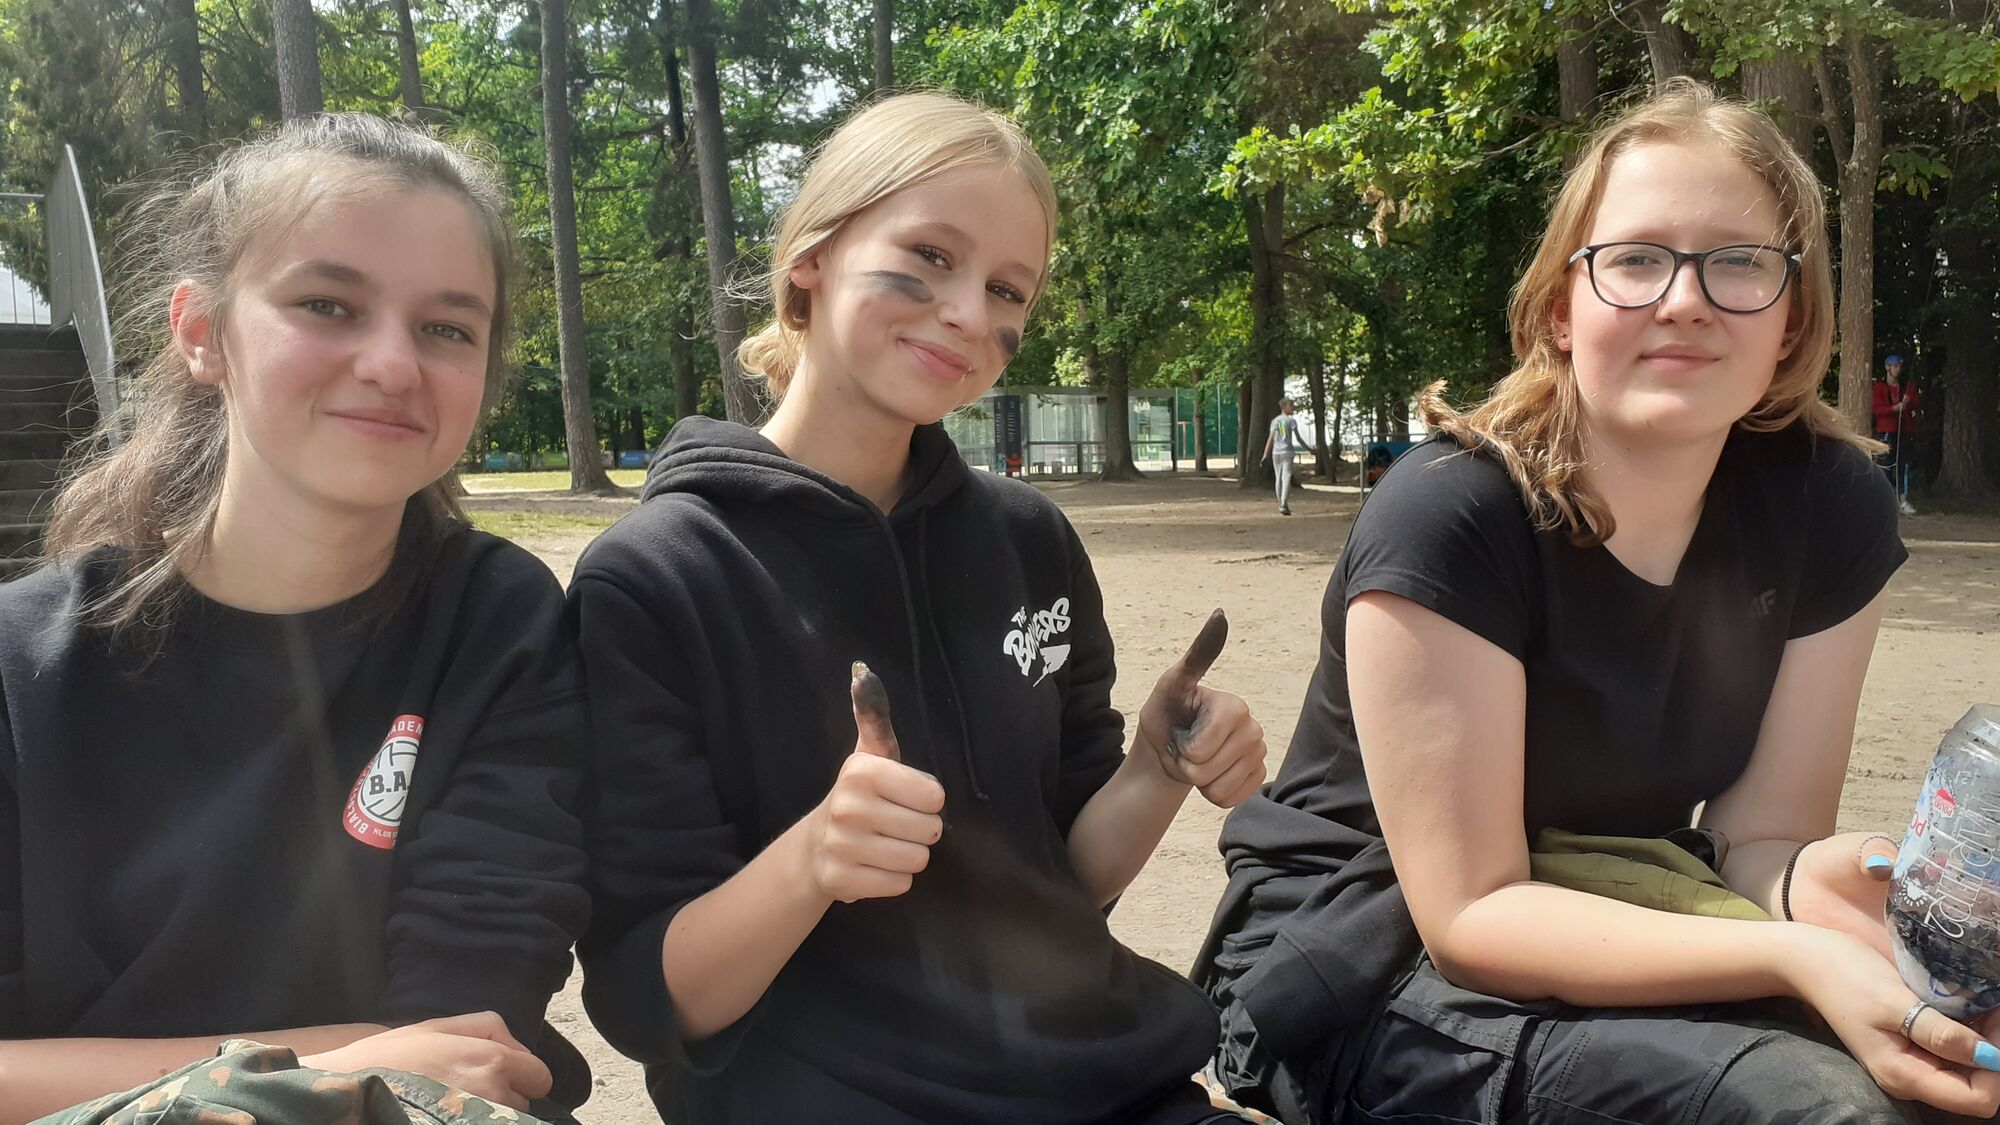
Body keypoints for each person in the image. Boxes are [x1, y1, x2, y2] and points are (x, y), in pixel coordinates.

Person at [1194, 80, 1992, 1125]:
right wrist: (1796, 955)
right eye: (1635, 259)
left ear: (1792, 317)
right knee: (1817, 1108)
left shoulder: (1827, 505)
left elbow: (1753, 848)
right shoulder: (1450, 515)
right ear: (1559, 311)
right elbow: (1472, 914)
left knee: (1953, 1074)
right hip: (1353, 955)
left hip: (1622, 896)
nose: (1685, 299)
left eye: (1739, 262)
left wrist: (1820, 884)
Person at [572, 93, 1268, 1125]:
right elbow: (650, 1002)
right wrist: (814, 861)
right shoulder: (654, 579)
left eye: (1007, 289)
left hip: (1110, 1088)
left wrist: (1155, 770)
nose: (970, 316)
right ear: (810, 258)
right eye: (931, 256)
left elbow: (1064, 886)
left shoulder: (1030, 541)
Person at [0, 115, 590, 1124]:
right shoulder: (21, 668)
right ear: (202, 332)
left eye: (447, 328)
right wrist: (323, 1061)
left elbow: (463, 1045)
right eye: (328, 305)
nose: (393, 364)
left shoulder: (499, 624)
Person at [1873, 354, 1921, 515]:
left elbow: (1916, 404)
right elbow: (1877, 409)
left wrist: (1908, 402)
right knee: (1885, 466)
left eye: (1899, 367)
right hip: (1887, 430)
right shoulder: (1880, 387)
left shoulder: (1906, 388)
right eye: (1895, 366)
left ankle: (1903, 500)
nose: (1898, 369)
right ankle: (1885, 501)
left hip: (1905, 430)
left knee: (1903, 465)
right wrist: (1893, 408)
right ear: (1887, 367)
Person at [1261, 398, 1306, 515]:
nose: (1293, 407)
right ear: (1285, 407)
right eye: (1291, 405)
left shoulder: (1275, 421)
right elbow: (1298, 438)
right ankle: (1283, 503)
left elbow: (1270, 439)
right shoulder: (1291, 421)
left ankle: (1281, 503)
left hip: (1276, 453)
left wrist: (1265, 454)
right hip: (1287, 451)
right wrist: (1308, 448)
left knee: (1278, 478)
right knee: (1286, 478)